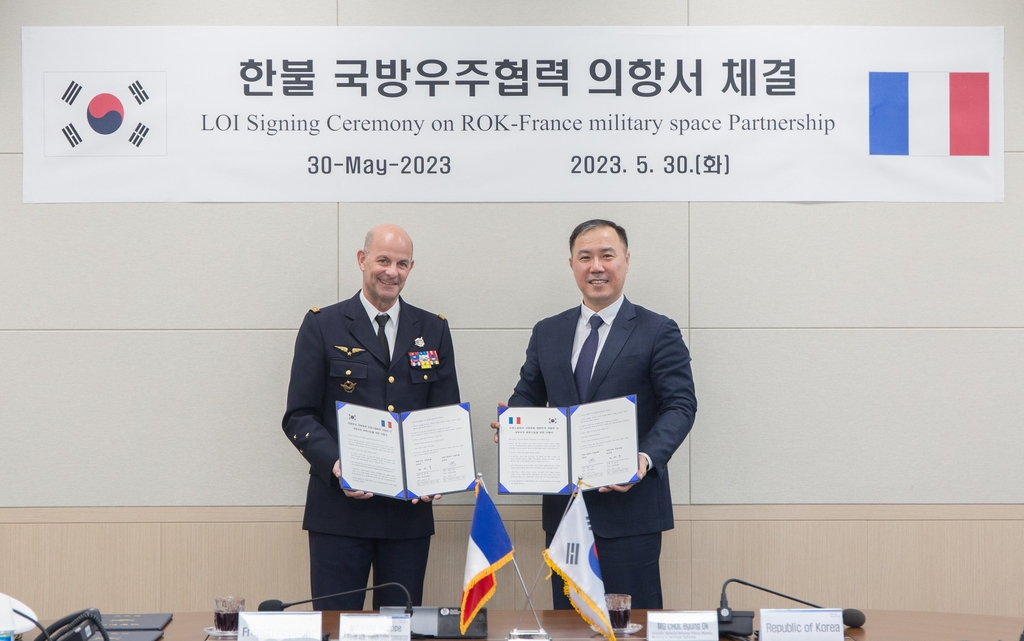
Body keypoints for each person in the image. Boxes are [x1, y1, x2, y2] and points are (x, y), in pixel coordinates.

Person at [492, 219, 696, 610]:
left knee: (632, 625)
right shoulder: (548, 331)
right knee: (568, 623)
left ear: (626, 260)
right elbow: (527, 394)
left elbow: (681, 405)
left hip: (630, 510)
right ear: (572, 264)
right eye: (585, 257)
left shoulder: (657, 330)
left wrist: (645, 458)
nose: (596, 266)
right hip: (565, 512)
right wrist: (513, 422)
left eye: (607, 255)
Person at [283, 223, 460, 610]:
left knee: (401, 627)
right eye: (383, 260)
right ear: (363, 260)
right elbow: (299, 416)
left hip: (407, 516)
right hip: (340, 513)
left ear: (411, 268)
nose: (391, 272)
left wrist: (440, 469)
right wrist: (336, 464)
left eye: (401, 263)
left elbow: (444, 418)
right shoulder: (323, 325)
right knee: (335, 624)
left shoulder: (433, 329)